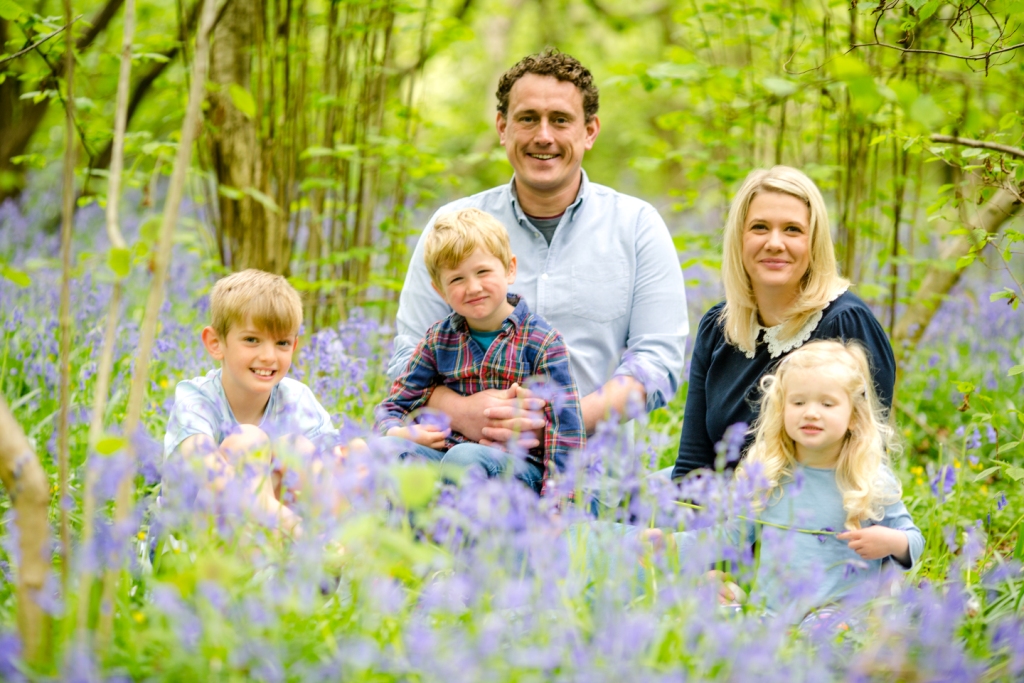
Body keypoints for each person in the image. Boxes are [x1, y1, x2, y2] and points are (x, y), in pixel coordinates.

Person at [388, 49, 688, 451]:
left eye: (560, 120)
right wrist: (463, 412)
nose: (543, 136)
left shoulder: (636, 227)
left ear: (590, 131)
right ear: (502, 127)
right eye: (528, 118)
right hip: (461, 466)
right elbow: (407, 358)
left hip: (590, 475)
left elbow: (657, 364)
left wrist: (561, 424)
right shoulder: (451, 226)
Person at [672, 165, 895, 479]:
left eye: (792, 229)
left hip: (805, 508)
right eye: (760, 227)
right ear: (739, 238)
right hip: (719, 504)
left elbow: (865, 464)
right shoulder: (718, 326)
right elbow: (692, 463)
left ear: (814, 241)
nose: (775, 243)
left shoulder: (845, 324)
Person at [677, 340, 924, 621]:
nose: (811, 412)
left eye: (827, 404)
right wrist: (671, 545)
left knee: (824, 630)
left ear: (854, 417)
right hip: (771, 615)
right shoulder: (768, 474)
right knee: (705, 605)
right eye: (798, 402)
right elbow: (732, 535)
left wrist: (892, 542)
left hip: (839, 618)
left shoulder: (869, 478)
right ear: (781, 409)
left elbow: (914, 540)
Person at [375, 208, 584, 494]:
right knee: (389, 449)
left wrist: (558, 505)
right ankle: (410, 521)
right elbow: (394, 405)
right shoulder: (438, 340)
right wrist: (398, 430)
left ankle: (470, 524)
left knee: (464, 459)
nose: (473, 288)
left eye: (483, 272)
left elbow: (567, 431)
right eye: (456, 279)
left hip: (520, 473)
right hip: (449, 459)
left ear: (510, 269)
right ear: (440, 291)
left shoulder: (542, 342)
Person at [164, 269, 338, 532]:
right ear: (215, 343)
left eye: (282, 343)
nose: (268, 356)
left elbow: (333, 474)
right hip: (191, 542)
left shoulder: (296, 398)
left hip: (275, 534)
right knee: (247, 441)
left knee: (297, 447)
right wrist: (288, 523)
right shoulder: (196, 399)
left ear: (294, 346)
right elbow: (209, 470)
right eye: (252, 340)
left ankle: (344, 547)